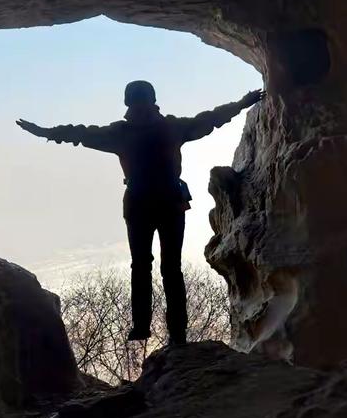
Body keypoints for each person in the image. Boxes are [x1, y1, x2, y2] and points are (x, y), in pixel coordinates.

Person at [17, 81, 265, 346]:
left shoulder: (130, 131)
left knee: (158, 267)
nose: (139, 106)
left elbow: (80, 133)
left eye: (139, 100)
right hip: (160, 202)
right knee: (158, 267)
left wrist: (241, 104)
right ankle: (156, 328)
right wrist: (44, 131)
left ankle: (162, 330)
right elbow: (80, 133)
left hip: (150, 203)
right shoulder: (163, 128)